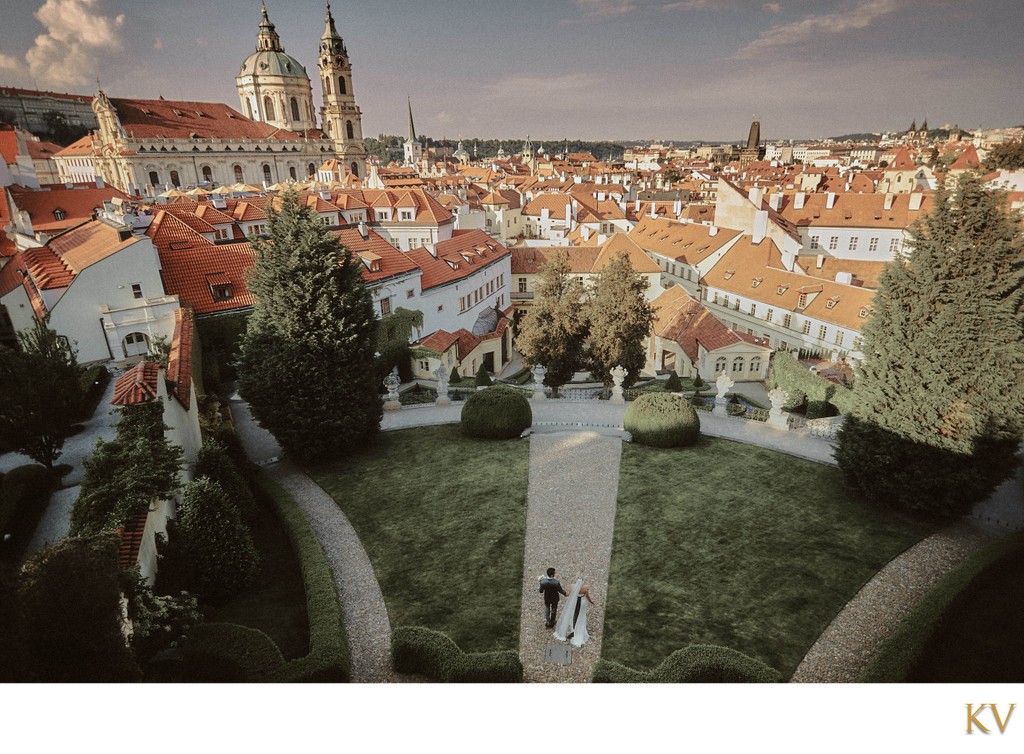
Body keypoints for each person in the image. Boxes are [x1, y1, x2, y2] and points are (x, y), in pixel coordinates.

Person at [554, 579, 596, 648]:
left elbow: (569, 594)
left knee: (574, 614)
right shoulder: (585, 588)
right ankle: (577, 628)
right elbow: (588, 597)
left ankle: (574, 626)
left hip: (575, 602)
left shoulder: (572, 586)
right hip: (582, 602)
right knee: (581, 615)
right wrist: (592, 602)